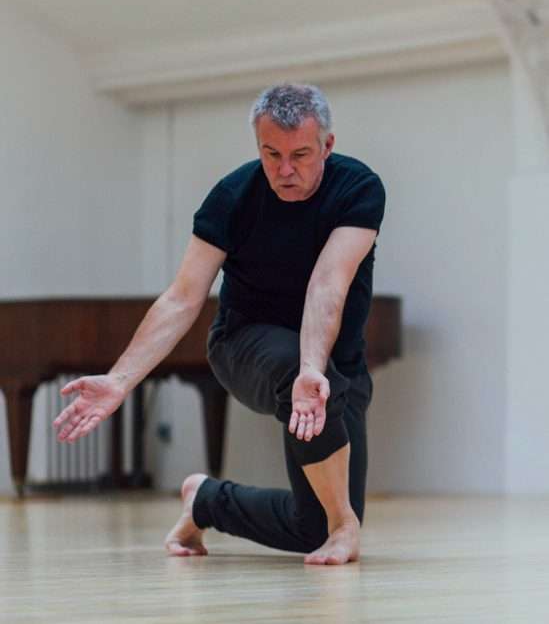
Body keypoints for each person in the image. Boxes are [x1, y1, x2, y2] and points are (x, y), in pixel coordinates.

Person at [53, 83, 386, 566]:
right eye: (271, 154)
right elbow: (182, 298)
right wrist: (120, 379)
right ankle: (344, 527)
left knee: (309, 527)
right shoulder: (232, 197)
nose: (284, 170)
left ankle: (206, 500)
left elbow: (327, 285)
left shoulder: (357, 188)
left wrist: (313, 368)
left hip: (332, 363)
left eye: (300, 155)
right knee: (303, 384)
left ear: (327, 146)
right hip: (242, 345)